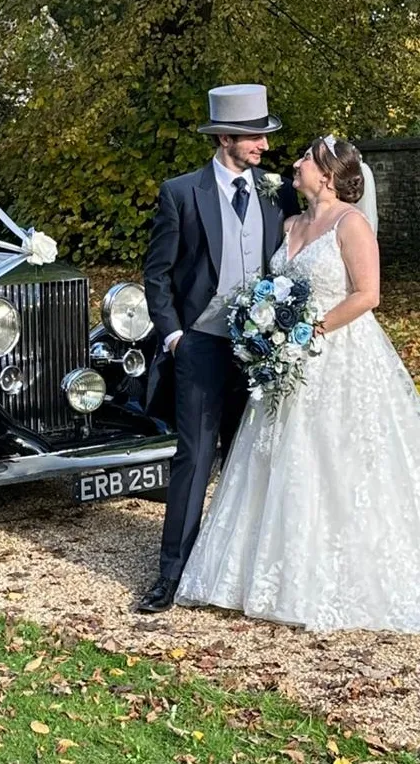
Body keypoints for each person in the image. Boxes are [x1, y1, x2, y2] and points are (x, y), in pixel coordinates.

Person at [176, 136, 420, 632]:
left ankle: (335, 574)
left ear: (327, 174)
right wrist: (267, 330)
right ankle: (262, 572)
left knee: (337, 460)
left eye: (305, 159)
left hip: (337, 355)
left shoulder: (351, 224)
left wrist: (310, 330)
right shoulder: (288, 223)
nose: (295, 164)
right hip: (284, 359)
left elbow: (368, 295)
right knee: (277, 457)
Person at [138, 84, 299, 614]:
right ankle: (171, 575)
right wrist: (175, 335)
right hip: (202, 344)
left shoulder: (278, 193)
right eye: (255, 136)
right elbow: (157, 274)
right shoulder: (182, 192)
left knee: (251, 457)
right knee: (195, 457)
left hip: (263, 348)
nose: (263, 147)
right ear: (226, 136)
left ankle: (238, 574)